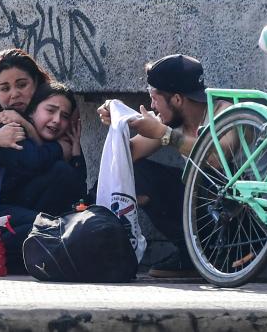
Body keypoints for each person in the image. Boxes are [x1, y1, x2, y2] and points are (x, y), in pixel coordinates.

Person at [96, 54, 229, 278]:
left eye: (154, 98)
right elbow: (127, 155)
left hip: (234, 218)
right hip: (199, 211)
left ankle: (213, 252)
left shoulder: (224, 113)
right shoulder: (170, 122)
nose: (151, 105)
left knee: (202, 178)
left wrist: (164, 134)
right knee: (139, 176)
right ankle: (189, 251)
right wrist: (118, 118)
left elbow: (216, 159)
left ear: (177, 99)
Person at [0, 82, 85, 272]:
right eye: (50, 110)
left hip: (16, 215)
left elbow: (78, 189)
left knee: (61, 177)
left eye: (64, 116)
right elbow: (32, 159)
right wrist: (54, 146)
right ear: (32, 111)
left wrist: (76, 150)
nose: (56, 120)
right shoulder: (10, 129)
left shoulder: (57, 144)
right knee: (45, 229)